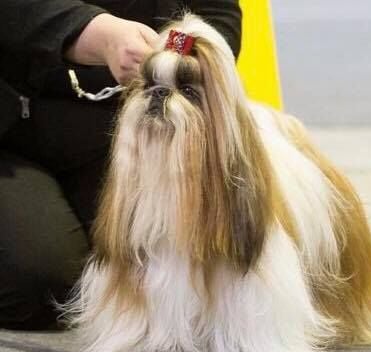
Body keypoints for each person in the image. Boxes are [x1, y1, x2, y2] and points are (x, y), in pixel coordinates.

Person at [0, 0, 241, 330]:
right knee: (36, 286)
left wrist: (188, 60)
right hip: (9, 132)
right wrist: (95, 33)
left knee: (161, 259)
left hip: (127, 132)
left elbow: (216, 15)